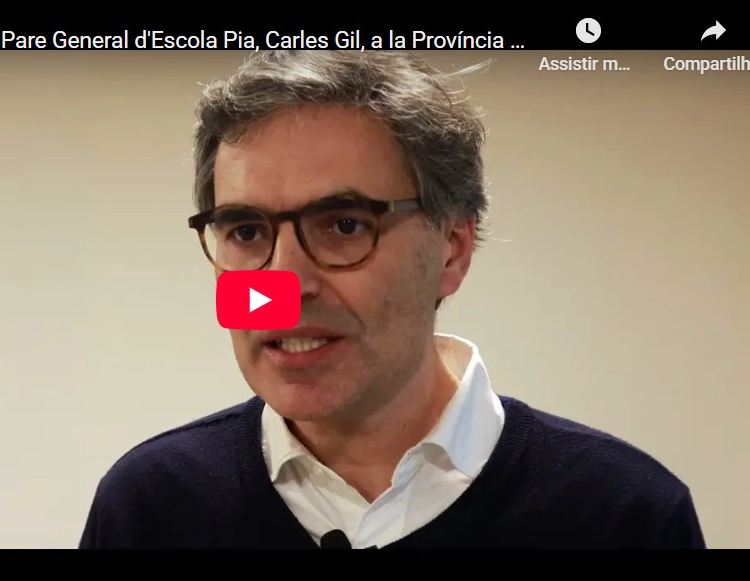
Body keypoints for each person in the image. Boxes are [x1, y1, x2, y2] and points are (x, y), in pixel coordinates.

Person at [78, 50, 706, 549]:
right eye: (245, 231)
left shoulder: (624, 515)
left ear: (452, 251)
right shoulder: (150, 505)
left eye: (345, 225)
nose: (287, 283)